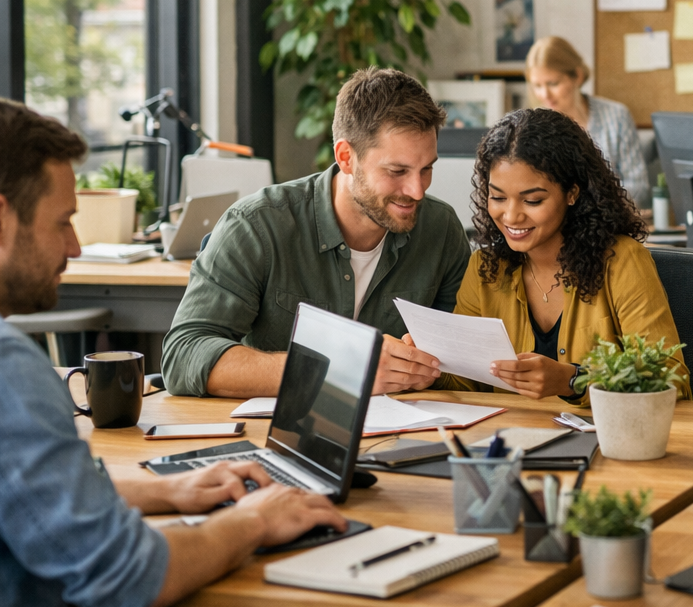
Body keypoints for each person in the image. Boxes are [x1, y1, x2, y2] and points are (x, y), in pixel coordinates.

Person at [0, 97, 346, 607]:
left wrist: (166, 492)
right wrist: (253, 519)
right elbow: (130, 582)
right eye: (62, 222)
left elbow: (3, 492)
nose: (72, 247)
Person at [162, 67, 470, 399]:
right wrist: (338, 368)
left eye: (427, 169)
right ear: (346, 157)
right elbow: (183, 355)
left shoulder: (442, 230)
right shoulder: (256, 225)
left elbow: (462, 355)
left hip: (404, 435)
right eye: (397, 171)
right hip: (275, 436)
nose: (417, 190)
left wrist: (427, 364)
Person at [439, 107, 685, 399]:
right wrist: (425, 368)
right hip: (512, 439)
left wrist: (574, 381)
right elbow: (464, 382)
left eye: (532, 200)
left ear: (572, 193)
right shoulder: (485, 268)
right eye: (498, 197)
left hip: (601, 442)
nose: (511, 216)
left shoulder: (622, 262)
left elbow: (669, 381)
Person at [525, 36, 650, 207]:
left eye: (553, 83)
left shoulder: (616, 116)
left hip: (609, 222)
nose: (545, 95)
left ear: (577, 76)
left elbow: (638, 186)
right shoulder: (532, 128)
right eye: (537, 86)